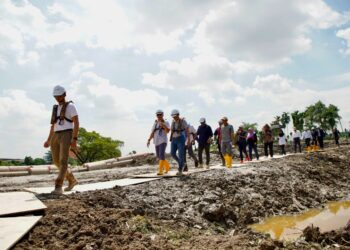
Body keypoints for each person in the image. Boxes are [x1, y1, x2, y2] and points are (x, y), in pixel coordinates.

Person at [43, 85, 79, 195]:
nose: (57, 98)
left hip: (66, 134)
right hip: (55, 135)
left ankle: (58, 186)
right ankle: (72, 179)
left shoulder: (71, 106)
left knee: (63, 161)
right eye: (56, 96)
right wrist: (48, 140)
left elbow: (76, 123)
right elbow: (53, 126)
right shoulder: (55, 108)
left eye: (59, 96)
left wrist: (74, 139)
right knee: (56, 161)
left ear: (64, 94)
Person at [147, 110, 170, 175]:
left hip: (163, 141)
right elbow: (152, 132)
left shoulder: (166, 122)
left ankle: (160, 171)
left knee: (161, 155)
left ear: (163, 115)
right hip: (156, 141)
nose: (159, 116)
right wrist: (149, 140)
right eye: (158, 115)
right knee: (158, 156)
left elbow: (168, 131)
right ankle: (167, 167)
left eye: (160, 114)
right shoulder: (155, 123)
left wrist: (163, 125)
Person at [170, 110, 190, 176]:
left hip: (181, 138)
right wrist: (171, 138)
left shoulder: (183, 121)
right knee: (172, 153)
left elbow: (187, 130)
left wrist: (188, 140)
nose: (174, 118)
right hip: (174, 139)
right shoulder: (173, 122)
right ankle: (182, 163)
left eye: (175, 116)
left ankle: (180, 170)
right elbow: (172, 130)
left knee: (181, 155)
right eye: (173, 117)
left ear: (178, 115)